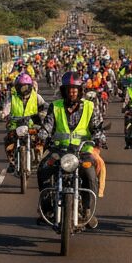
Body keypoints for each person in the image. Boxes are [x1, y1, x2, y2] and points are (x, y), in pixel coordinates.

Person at [37, 71, 106, 221]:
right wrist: (42, 134)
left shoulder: (90, 106)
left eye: (75, 89)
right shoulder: (55, 106)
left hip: (83, 151)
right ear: (64, 91)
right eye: (69, 89)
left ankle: (88, 209)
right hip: (59, 151)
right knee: (43, 168)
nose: (72, 92)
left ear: (80, 90)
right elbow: (48, 125)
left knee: (90, 174)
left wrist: (99, 139)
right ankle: (46, 205)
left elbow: (97, 127)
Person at [6, 71, 43, 172]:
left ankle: (39, 156)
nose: (23, 89)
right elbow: (7, 107)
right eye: (21, 87)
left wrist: (43, 113)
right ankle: (11, 161)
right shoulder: (12, 97)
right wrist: (4, 113)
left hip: (32, 125)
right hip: (15, 124)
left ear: (30, 87)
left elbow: (44, 106)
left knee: (41, 137)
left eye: (26, 87)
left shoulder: (36, 96)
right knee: (8, 139)